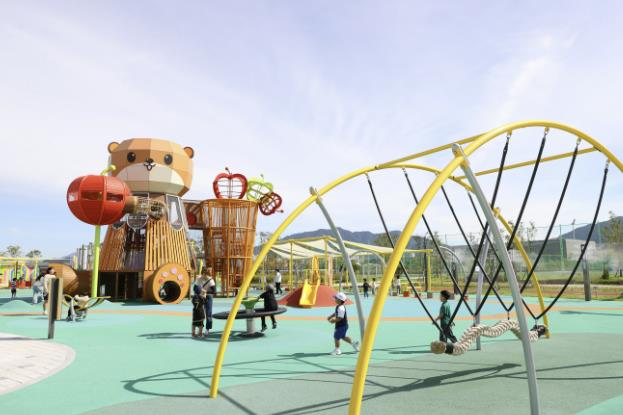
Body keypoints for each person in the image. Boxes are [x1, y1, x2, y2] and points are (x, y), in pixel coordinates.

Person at [200, 267, 216, 335]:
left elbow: (214, 291)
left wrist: (205, 291)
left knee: (208, 313)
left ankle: (207, 329)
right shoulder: (200, 279)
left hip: (208, 297)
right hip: (202, 296)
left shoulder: (211, 280)